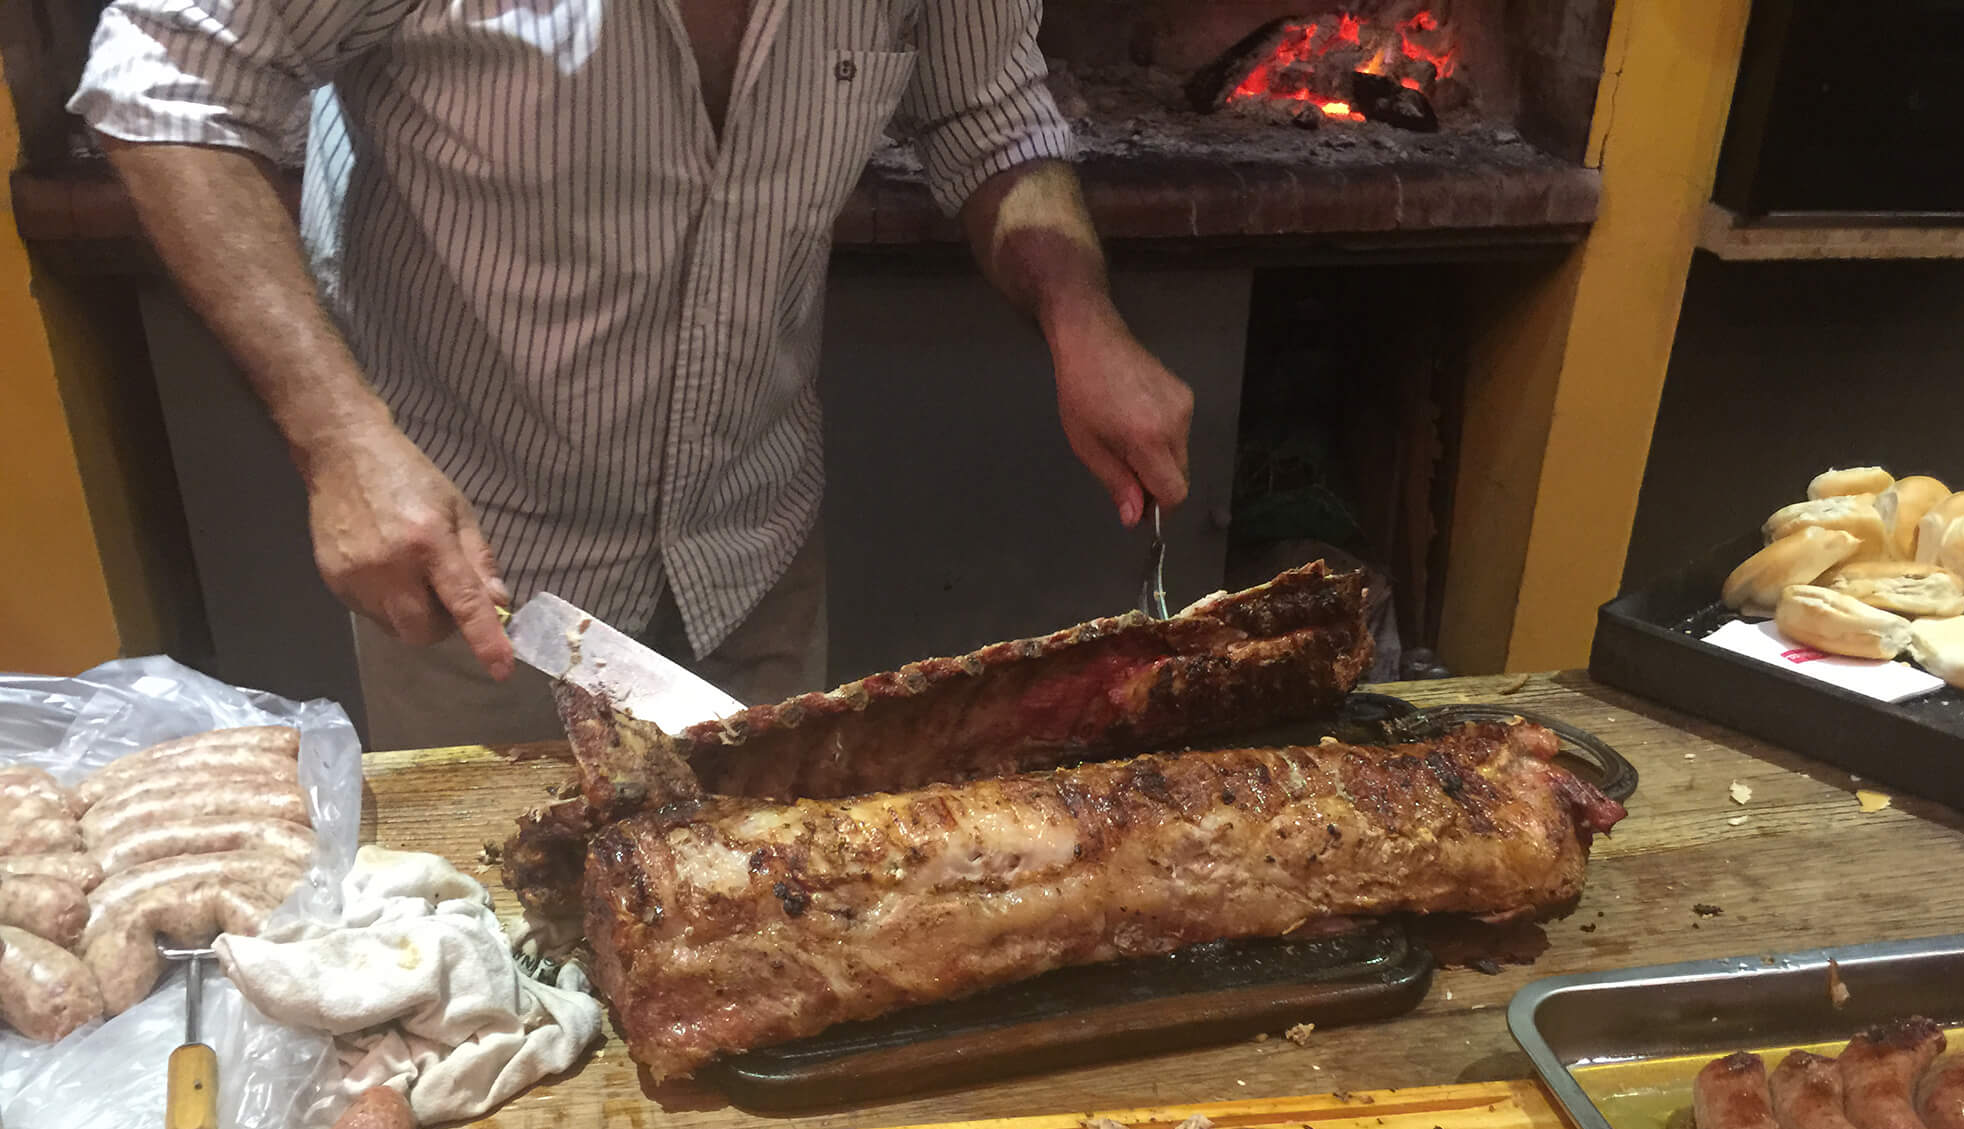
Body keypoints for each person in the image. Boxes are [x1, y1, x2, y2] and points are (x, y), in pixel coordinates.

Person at [72, 0, 1195, 747]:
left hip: (749, 546)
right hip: (484, 582)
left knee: (758, 925)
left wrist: (1080, 315)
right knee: (509, 971)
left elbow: (984, 107)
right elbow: (169, 74)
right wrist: (339, 439)